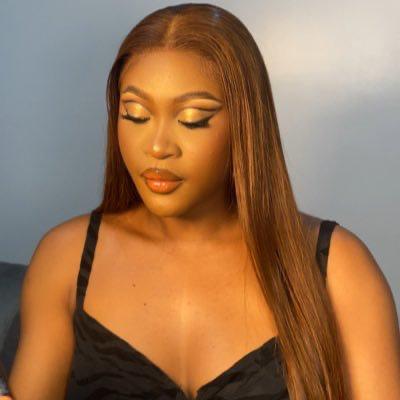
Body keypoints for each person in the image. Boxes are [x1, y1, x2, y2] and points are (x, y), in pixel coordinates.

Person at [7, 3, 400, 400]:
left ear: (246, 124)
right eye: (135, 114)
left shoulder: (340, 271)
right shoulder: (65, 259)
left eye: (192, 119)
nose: (157, 147)